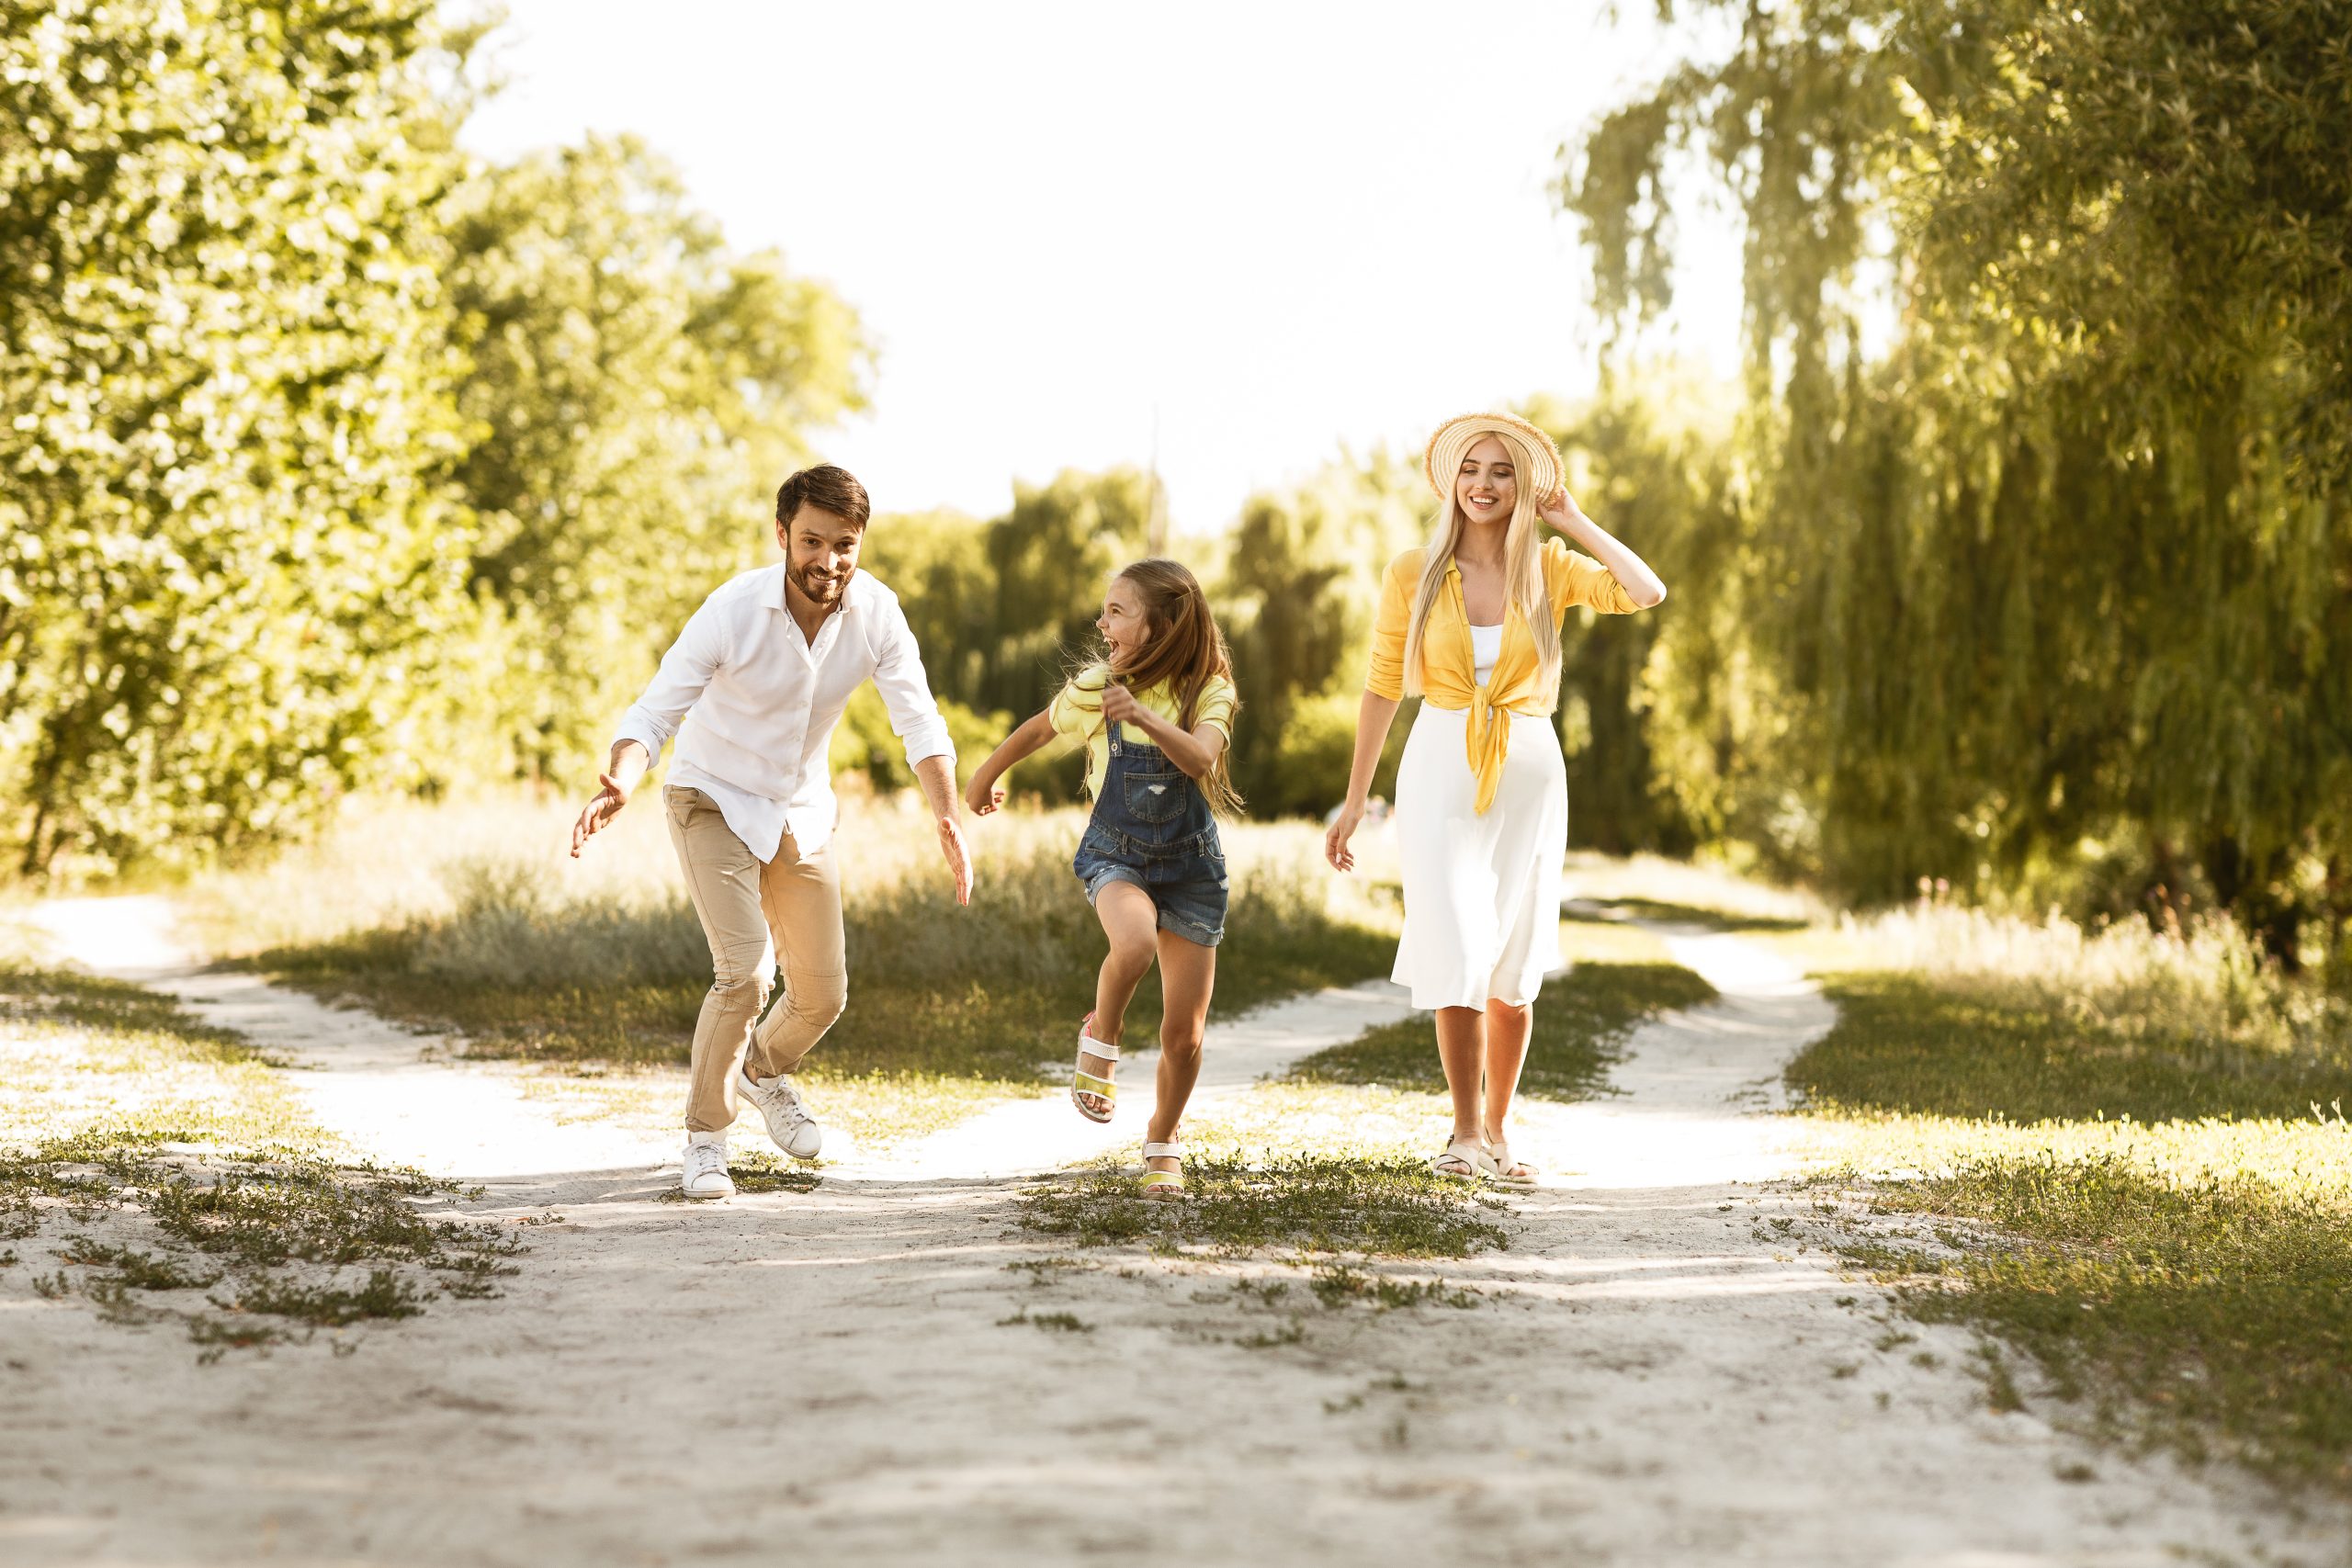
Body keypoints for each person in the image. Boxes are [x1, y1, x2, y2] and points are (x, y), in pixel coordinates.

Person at [570, 464, 973, 1200]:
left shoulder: (877, 614)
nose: (828, 561)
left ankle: (762, 1070)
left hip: (798, 808)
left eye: (844, 545)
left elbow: (920, 722)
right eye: (813, 541)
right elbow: (654, 712)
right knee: (747, 973)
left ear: (860, 543)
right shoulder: (732, 611)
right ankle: (705, 1139)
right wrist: (623, 778)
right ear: (783, 534)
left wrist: (947, 812)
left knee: (822, 993)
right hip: (710, 797)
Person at [1324, 412, 1665, 1186]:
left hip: (1530, 766)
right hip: (1439, 762)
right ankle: (1465, 1133)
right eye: (1471, 468)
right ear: (1451, 480)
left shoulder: (1548, 565)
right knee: (1457, 944)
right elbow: (1382, 684)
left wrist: (1572, 519)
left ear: (1525, 485)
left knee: (1513, 966)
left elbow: (1646, 591)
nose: (1483, 483)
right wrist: (1355, 799)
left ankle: (1502, 1132)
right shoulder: (1414, 570)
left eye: (1502, 470)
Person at [963, 559, 1241, 1200]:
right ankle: (1103, 1033)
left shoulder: (1210, 690)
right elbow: (1039, 727)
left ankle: (1163, 1141)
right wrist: (984, 775)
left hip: (1192, 869)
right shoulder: (1099, 684)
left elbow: (1200, 757)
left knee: (1185, 1033)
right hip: (1117, 853)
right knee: (1135, 942)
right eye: (1104, 609)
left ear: (1163, 624)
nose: (1101, 622)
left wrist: (1142, 716)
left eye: (1117, 610)